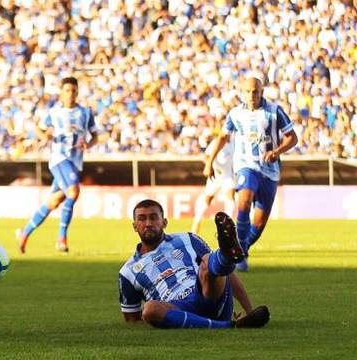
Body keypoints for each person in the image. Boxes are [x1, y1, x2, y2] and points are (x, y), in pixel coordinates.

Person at [119, 199, 270, 329]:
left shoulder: (188, 239)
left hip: (207, 294)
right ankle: (230, 325)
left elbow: (226, 273)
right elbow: (133, 320)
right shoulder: (128, 271)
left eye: (153, 218)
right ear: (134, 226)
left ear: (164, 222)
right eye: (142, 219)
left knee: (207, 264)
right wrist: (160, 318)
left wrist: (250, 312)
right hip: (177, 308)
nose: (148, 223)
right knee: (149, 309)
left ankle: (226, 253)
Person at [204, 74, 298, 271]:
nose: (251, 95)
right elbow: (222, 137)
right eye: (247, 91)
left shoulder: (274, 112)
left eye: (255, 91)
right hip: (246, 165)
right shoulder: (235, 114)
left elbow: (292, 138)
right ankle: (238, 253)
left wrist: (277, 151)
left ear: (262, 92)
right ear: (242, 93)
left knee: (260, 223)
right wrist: (210, 161)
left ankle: (242, 249)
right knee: (244, 199)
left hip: (270, 171)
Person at [16, 77, 99, 253]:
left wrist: (89, 144)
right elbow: (38, 128)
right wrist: (44, 135)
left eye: (74, 91)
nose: (71, 94)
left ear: (77, 92)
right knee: (74, 191)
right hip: (59, 159)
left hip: (75, 162)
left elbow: (95, 136)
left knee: (53, 202)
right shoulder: (54, 112)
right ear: (61, 92)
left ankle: (25, 233)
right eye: (67, 90)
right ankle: (61, 238)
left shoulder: (85, 113)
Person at [191, 140, 235, 234]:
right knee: (208, 199)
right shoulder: (217, 142)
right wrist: (210, 166)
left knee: (230, 196)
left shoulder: (236, 141)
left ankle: (227, 225)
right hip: (216, 175)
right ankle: (197, 221)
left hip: (228, 176)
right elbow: (206, 156)